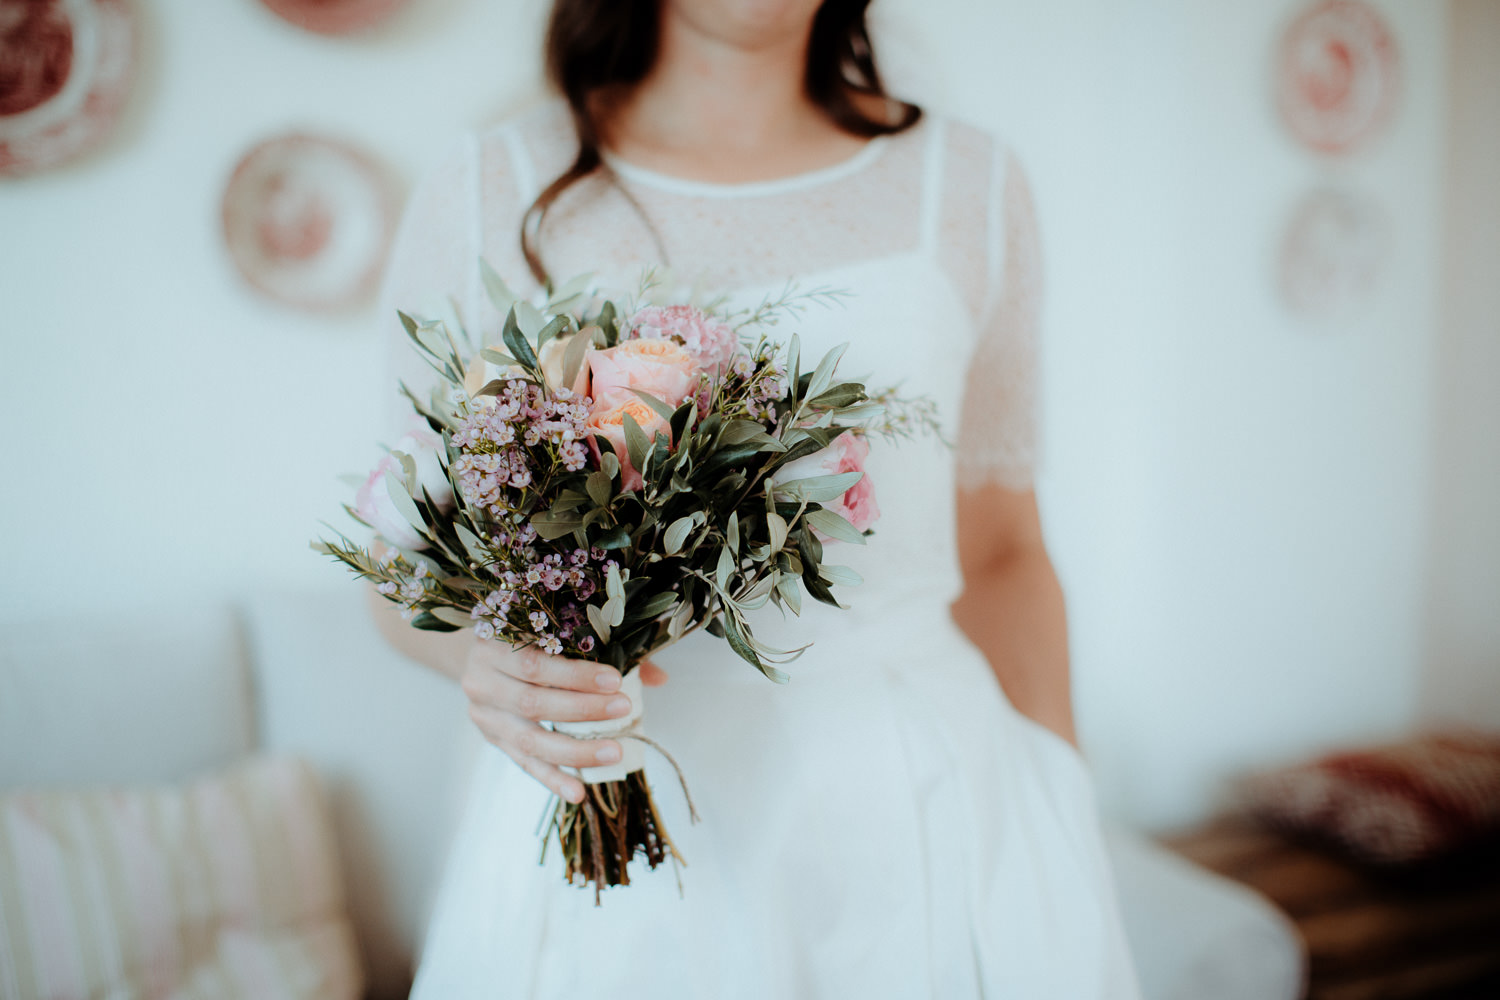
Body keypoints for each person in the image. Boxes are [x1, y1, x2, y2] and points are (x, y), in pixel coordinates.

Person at [370, 1, 1143, 996]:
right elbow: (401, 572)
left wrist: (1058, 808)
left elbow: (1002, 555)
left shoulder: (973, 186)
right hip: (610, 816)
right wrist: (489, 660)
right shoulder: (489, 187)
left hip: (920, 811)